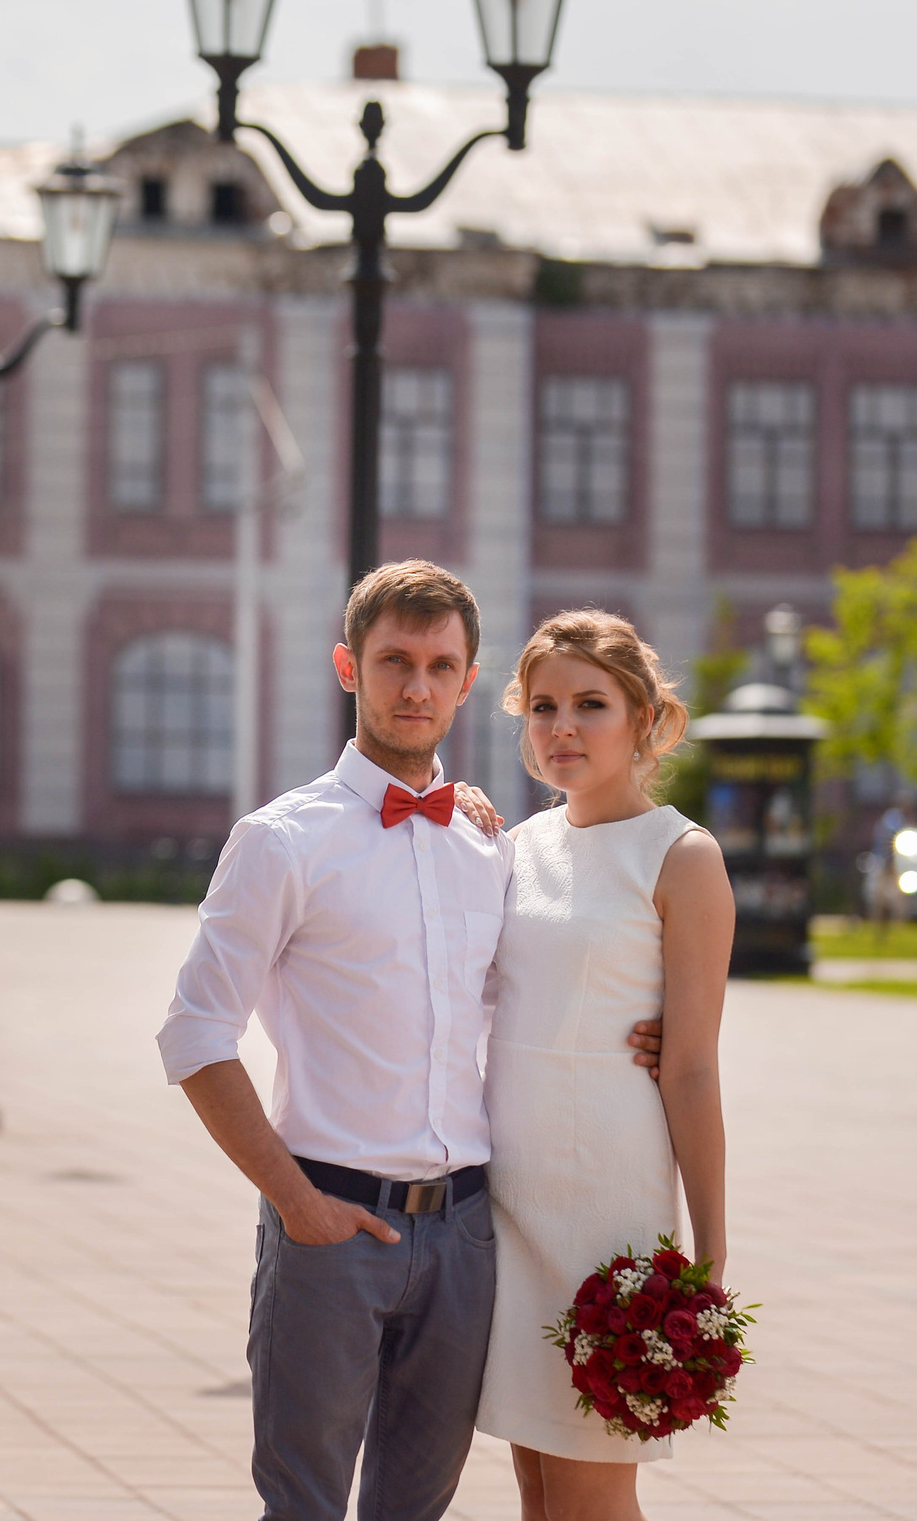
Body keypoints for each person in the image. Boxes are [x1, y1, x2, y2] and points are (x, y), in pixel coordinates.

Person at [158, 562, 663, 1521]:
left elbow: (545, 982)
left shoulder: (490, 843)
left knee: (415, 1512)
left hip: (469, 1232)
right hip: (330, 1224)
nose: (417, 686)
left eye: (441, 665)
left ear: (470, 681)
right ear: (350, 666)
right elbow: (194, 1036)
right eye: (395, 660)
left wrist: (657, 1024)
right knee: (304, 1506)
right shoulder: (282, 841)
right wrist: (296, 1203)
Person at [478, 610, 734, 1521]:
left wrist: (710, 1252)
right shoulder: (512, 847)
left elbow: (694, 1067)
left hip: (606, 1209)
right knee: (537, 1488)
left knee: (590, 1490)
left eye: (591, 704)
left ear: (643, 718)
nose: (563, 727)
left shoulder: (681, 855)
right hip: (508, 1203)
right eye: (543, 706)